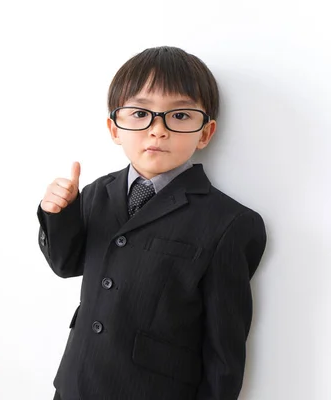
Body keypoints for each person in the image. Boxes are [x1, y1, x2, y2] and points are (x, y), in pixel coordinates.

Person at [36, 46, 267, 400]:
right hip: (74, 386)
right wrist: (58, 214)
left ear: (205, 133)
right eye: (141, 113)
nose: (157, 130)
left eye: (180, 116)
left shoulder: (229, 223)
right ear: (115, 129)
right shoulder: (98, 192)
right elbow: (67, 264)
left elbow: (223, 351)